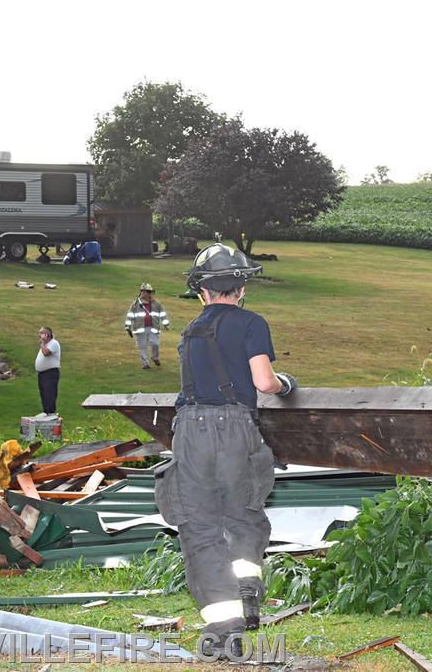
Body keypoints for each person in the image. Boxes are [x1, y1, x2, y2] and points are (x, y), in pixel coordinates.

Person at [154, 244, 297, 661]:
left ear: (201, 291)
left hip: (189, 432)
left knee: (199, 526)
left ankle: (222, 628)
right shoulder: (252, 323)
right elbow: (263, 382)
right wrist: (286, 383)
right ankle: (248, 591)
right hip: (235, 428)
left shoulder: (190, 331)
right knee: (244, 512)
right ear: (242, 287)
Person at [125, 282, 171, 369]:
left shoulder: (157, 304)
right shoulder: (135, 304)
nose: (142, 293)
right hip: (140, 329)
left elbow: (162, 314)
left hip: (153, 328)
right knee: (142, 346)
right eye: (141, 291)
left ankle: (155, 357)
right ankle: (145, 363)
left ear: (149, 293)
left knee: (155, 344)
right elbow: (130, 315)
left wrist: (166, 324)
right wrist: (127, 326)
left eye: (144, 291)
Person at [35, 326, 61, 415]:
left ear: (47, 334)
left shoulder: (53, 343)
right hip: (42, 373)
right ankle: (46, 411)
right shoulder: (45, 344)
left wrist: (42, 343)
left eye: (41, 333)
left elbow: (46, 353)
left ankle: (51, 412)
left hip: (50, 372)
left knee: (49, 392)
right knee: (43, 392)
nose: (39, 335)